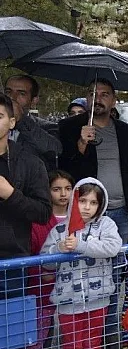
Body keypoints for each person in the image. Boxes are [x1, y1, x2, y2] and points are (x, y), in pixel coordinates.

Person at [41, 178, 122, 349]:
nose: (87, 207)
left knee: (93, 343)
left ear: (100, 205)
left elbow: (113, 247)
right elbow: (44, 262)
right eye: (82, 201)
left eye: (93, 202)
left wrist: (81, 245)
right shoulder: (59, 230)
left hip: (99, 300)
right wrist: (58, 249)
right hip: (67, 302)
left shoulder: (106, 225)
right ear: (73, 201)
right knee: (72, 345)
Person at [58, 79, 128, 244]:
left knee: (119, 262)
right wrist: (81, 143)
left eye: (104, 95)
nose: (98, 99)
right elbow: (64, 170)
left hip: (121, 210)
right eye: (93, 94)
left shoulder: (127, 132)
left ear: (113, 101)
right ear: (87, 98)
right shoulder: (69, 127)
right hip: (85, 211)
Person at [0, 93, 52, 298]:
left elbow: (43, 212)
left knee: (12, 327)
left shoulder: (29, 162)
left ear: (12, 122)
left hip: (12, 263)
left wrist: (10, 194)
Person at [28, 170, 74, 349]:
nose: (63, 194)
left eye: (68, 188)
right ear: (47, 191)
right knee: (40, 341)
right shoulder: (37, 221)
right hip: (42, 294)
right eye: (57, 189)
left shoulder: (80, 220)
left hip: (71, 294)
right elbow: (31, 255)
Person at [4, 75, 62, 170]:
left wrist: (21, 119)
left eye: (21, 93)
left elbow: (54, 151)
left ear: (34, 101)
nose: (12, 98)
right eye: (8, 92)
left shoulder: (47, 127)